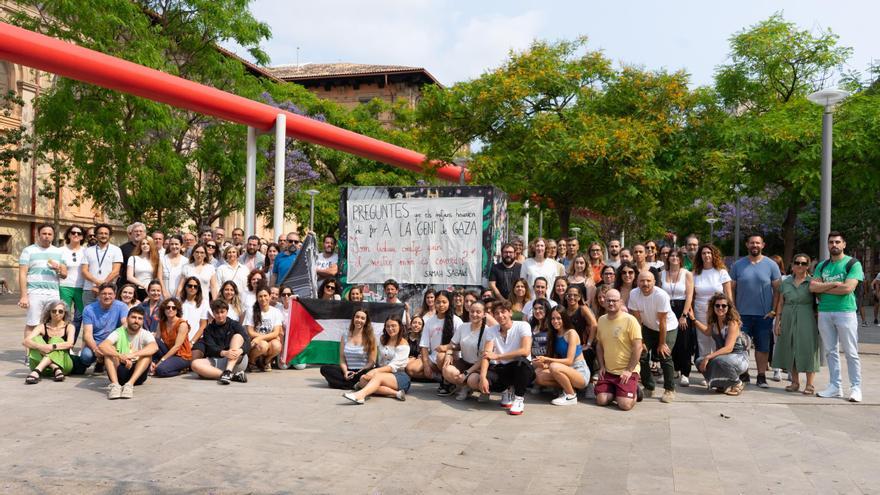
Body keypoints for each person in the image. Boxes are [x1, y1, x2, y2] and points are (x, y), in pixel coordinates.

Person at [810, 231, 864, 402]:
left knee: (850, 351)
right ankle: (835, 386)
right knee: (830, 351)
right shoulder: (822, 265)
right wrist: (833, 284)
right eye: (831, 242)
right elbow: (812, 288)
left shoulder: (853, 264)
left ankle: (856, 388)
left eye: (837, 242)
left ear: (843, 244)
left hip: (845, 311)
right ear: (827, 245)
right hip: (825, 311)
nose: (834, 245)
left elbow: (848, 289)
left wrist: (823, 287)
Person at [729, 234, 782, 388]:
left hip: (763, 315)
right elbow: (731, 289)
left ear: (763, 245)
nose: (755, 245)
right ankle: (744, 374)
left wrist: (773, 310)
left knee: (763, 348)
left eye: (757, 243)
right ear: (747, 244)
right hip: (741, 315)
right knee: (741, 347)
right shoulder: (738, 265)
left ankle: (761, 376)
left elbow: (778, 290)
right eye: (752, 242)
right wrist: (733, 311)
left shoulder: (771, 265)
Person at [467, 300, 534, 415]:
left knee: (521, 362)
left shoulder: (523, 325)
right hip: (502, 368)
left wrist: (498, 355)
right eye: (496, 313)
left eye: (503, 312)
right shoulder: (492, 330)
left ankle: (518, 399)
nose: (500, 316)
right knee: (477, 379)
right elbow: (487, 355)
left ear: (510, 313)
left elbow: (525, 350)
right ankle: (505, 391)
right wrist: (483, 377)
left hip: (521, 369)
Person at [772, 254, 821, 394]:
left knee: (808, 348)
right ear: (792, 265)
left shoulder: (812, 282)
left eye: (803, 263)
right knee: (790, 347)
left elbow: (820, 300)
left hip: (806, 315)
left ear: (808, 265)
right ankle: (795, 382)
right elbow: (781, 302)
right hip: (787, 315)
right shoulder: (785, 282)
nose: (800, 265)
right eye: (797, 263)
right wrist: (777, 322)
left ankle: (810, 384)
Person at [629, 271, 678, 403]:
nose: (645, 283)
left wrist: (662, 344)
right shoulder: (634, 294)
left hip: (668, 327)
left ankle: (670, 389)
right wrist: (642, 341)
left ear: (654, 282)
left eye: (648, 281)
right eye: (642, 281)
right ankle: (649, 386)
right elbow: (637, 320)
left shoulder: (661, 295)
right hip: (648, 327)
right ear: (637, 282)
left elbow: (663, 322)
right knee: (641, 353)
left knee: (664, 354)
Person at [343, 317, 410, 404]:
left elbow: (392, 367)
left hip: (399, 376)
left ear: (400, 327)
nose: (390, 329)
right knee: (362, 380)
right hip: (382, 373)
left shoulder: (404, 344)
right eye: (388, 326)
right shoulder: (383, 339)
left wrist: (375, 371)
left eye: (393, 326)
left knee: (375, 378)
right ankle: (396, 393)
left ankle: (360, 396)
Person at [594, 289, 642, 411]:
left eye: (614, 301)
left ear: (620, 302)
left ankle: (634, 390)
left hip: (626, 371)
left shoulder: (630, 320)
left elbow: (638, 347)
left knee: (625, 405)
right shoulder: (601, 320)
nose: (611, 303)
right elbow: (599, 345)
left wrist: (629, 370)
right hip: (609, 372)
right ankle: (619, 390)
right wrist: (602, 366)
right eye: (608, 300)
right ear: (604, 302)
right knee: (601, 400)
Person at [18, 224, 66, 345]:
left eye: (49, 234)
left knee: (53, 323)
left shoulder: (59, 252)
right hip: (35, 292)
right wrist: (24, 296)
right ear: (38, 235)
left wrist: (58, 269)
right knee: (32, 323)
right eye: (44, 233)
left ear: (53, 236)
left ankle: (48, 352)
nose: (46, 236)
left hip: (53, 292)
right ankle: (28, 354)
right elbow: (22, 274)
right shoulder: (28, 250)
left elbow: (64, 274)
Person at [694, 293, 749, 396]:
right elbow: (708, 332)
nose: (720, 308)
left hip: (739, 357)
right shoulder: (713, 321)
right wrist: (694, 320)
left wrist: (709, 356)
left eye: (724, 306)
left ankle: (737, 383)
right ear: (713, 306)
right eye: (717, 305)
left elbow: (728, 348)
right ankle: (721, 384)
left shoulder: (732, 322)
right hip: (724, 357)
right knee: (699, 361)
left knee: (718, 360)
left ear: (728, 307)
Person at [98, 306, 159, 399]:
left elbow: (154, 347)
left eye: (140, 318)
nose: (136, 321)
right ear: (127, 319)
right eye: (133, 317)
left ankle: (129, 385)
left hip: (137, 374)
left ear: (142, 321)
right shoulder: (119, 332)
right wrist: (120, 356)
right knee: (108, 355)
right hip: (120, 370)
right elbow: (103, 346)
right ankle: (115, 386)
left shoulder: (145, 333)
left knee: (147, 356)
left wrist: (133, 355)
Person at [533, 307, 590, 405]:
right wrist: (542, 364)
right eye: (553, 318)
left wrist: (546, 359)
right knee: (538, 375)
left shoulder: (571, 333)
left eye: (559, 318)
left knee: (554, 366)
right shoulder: (554, 334)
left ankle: (571, 395)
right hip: (565, 370)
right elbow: (558, 360)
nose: (555, 321)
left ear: (564, 318)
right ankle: (568, 389)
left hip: (580, 372)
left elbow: (569, 361)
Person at [692, 244, 733, 369]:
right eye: (703, 253)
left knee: (718, 341)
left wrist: (730, 312)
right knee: (703, 342)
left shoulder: (722, 272)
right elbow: (691, 295)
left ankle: (718, 370)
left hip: (719, 311)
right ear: (700, 256)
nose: (706, 255)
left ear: (713, 255)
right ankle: (706, 372)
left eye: (709, 253)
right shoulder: (695, 274)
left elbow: (728, 295)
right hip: (700, 310)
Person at [190, 299, 250, 384]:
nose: (220, 315)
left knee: (238, 336)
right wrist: (224, 353)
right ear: (213, 314)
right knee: (194, 364)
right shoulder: (208, 329)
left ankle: (228, 371)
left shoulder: (235, 324)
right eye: (217, 313)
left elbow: (247, 342)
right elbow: (210, 348)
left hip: (236, 360)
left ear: (227, 312)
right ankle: (229, 376)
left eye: (222, 312)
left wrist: (241, 350)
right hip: (217, 360)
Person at [443, 301, 491, 401]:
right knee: (447, 370)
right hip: (465, 362)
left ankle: (483, 390)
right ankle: (466, 387)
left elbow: (484, 358)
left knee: (472, 380)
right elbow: (452, 344)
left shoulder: (488, 331)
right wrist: (449, 352)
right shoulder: (463, 327)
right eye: (472, 311)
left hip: (479, 366)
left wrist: (466, 373)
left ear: (484, 314)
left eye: (478, 312)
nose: (474, 314)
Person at [418, 290, 464, 395]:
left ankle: (448, 383)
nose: (441, 305)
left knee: (441, 356)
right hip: (433, 360)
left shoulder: (456, 321)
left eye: (444, 302)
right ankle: (441, 378)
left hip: (454, 359)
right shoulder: (429, 322)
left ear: (449, 303)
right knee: (412, 368)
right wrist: (426, 366)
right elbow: (424, 346)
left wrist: (448, 350)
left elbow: (461, 345)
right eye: (438, 302)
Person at [320, 309, 377, 389]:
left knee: (368, 375)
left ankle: (341, 383)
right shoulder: (345, 335)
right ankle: (354, 385)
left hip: (363, 371)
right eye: (357, 317)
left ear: (366, 321)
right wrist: (345, 372)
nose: (359, 320)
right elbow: (342, 358)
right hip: (349, 370)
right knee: (325, 369)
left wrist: (359, 372)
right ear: (353, 318)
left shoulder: (371, 338)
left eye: (362, 318)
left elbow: (371, 362)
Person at [662, 250, 695, 387]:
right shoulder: (662, 273)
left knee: (684, 342)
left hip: (682, 308)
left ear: (681, 259)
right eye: (672, 256)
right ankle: (673, 369)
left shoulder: (686, 274)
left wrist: (684, 315)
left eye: (677, 256)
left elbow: (689, 295)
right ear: (668, 258)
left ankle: (685, 373)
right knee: (669, 341)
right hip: (666, 308)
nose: (674, 258)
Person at [79, 283, 130, 370]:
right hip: (96, 341)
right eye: (104, 294)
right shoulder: (89, 309)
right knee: (86, 357)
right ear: (99, 295)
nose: (107, 296)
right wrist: (96, 350)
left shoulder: (122, 306)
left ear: (114, 295)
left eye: (110, 294)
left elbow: (124, 322)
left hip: (112, 342)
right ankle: (98, 360)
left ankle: (102, 362)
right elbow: (87, 334)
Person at [23, 301, 75, 384]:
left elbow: (70, 344)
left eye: (60, 311)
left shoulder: (69, 327)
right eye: (54, 311)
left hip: (63, 367)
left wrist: (51, 347)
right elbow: (25, 342)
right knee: (35, 339)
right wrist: (40, 347)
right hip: (50, 370)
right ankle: (55, 368)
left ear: (65, 313)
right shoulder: (42, 326)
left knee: (55, 340)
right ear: (49, 312)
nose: (57, 313)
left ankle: (37, 371)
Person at [244, 287, 284, 372]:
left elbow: (276, 332)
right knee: (263, 345)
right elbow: (250, 332)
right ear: (257, 298)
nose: (263, 298)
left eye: (265, 295)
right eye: (260, 296)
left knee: (277, 345)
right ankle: (252, 361)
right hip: (255, 342)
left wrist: (261, 337)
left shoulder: (276, 311)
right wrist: (261, 338)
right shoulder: (251, 311)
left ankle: (266, 361)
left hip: (265, 340)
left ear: (269, 296)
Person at [150, 298, 192, 377]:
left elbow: (177, 347)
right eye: (168, 307)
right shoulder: (161, 323)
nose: (170, 309)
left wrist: (161, 361)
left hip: (182, 356)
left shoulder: (182, 324)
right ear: (164, 309)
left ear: (177, 310)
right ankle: (153, 364)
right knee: (154, 341)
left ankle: (181, 370)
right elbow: (156, 341)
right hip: (169, 352)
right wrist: (150, 360)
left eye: (174, 308)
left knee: (160, 370)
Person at [59, 225, 86, 343]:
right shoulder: (60, 251)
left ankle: (72, 343)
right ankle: (62, 342)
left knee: (80, 317)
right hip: (64, 286)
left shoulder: (86, 251)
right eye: (73, 232)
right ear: (68, 234)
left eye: (79, 233)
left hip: (82, 287)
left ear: (82, 237)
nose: (76, 235)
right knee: (64, 316)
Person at [127, 237, 161, 301]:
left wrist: (151, 288)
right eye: (143, 244)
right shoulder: (133, 258)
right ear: (140, 246)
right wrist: (144, 285)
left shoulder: (155, 260)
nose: (145, 245)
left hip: (152, 291)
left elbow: (157, 277)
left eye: (148, 244)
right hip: (138, 289)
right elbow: (129, 277)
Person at [180, 276, 209, 345]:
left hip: (197, 340)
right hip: (179, 339)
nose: (192, 288)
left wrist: (192, 342)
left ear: (198, 289)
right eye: (190, 286)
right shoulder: (178, 301)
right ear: (185, 287)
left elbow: (203, 325)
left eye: (195, 286)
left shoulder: (204, 303)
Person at [119, 222, 147, 289]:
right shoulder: (122, 248)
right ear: (131, 233)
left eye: (140, 231)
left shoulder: (149, 248)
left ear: (145, 234)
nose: (138, 233)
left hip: (145, 285)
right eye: (136, 231)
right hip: (127, 286)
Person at [160, 235, 186, 299]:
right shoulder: (162, 259)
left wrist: (178, 295)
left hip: (180, 296)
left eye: (176, 244)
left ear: (181, 245)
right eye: (172, 244)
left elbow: (184, 280)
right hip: (164, 296)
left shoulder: (186, 261)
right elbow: (159, 277)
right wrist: (164, 292)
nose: (174, 246)